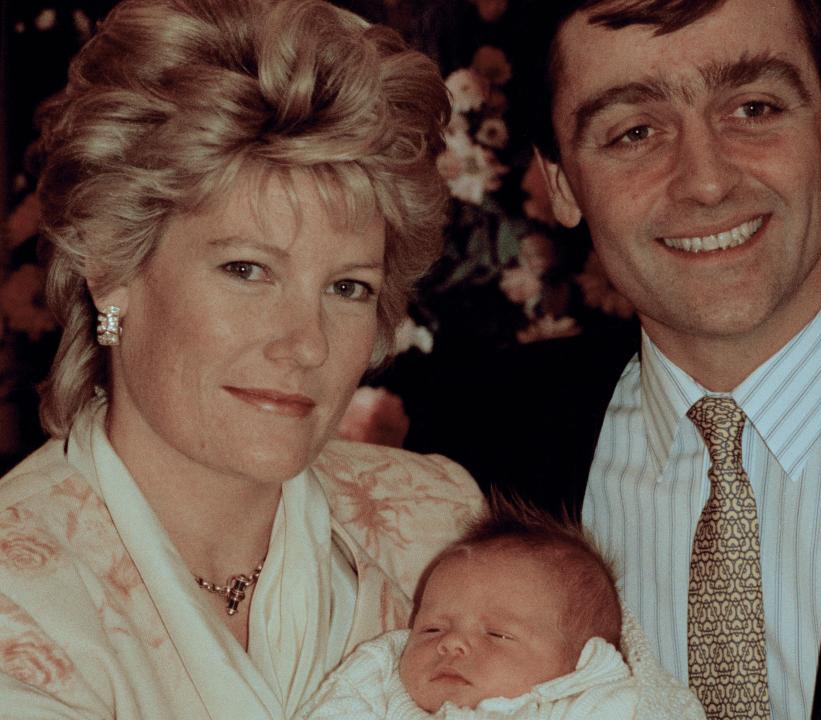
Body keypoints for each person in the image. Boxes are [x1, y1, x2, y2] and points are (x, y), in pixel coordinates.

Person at [404, 1, 821, 718]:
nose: (705, 180)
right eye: (634, 131)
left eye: (754, 108)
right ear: (563, 183)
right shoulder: (467, 456)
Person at [0, 0, 484, 717]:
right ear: (111, 267)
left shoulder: (443, 526)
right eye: (247, 270)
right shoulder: (18, 594)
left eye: (348, 287)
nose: (306, 343)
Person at [299, 503, 704, 718]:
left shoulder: (593, 706)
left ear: (583, 666)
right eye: (432, 630)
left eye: (498, 634)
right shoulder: (378, 692)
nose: (453, 643)